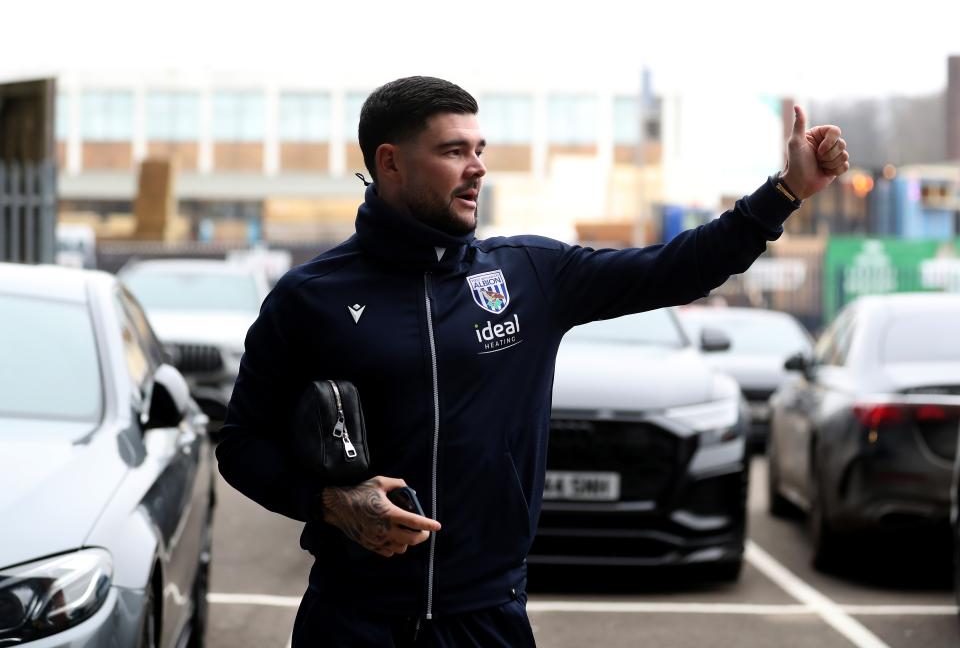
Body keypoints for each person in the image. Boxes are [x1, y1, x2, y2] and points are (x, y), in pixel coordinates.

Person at [216, 76, 848, 646]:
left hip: (486, 619)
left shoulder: (528, 273)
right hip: (352, 621)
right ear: (390, 163)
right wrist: (330, 500)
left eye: (480, 150)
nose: (477, 169)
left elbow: (678, 268)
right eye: (453, 151)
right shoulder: (310, 297)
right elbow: (241, 444)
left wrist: (786, 191)